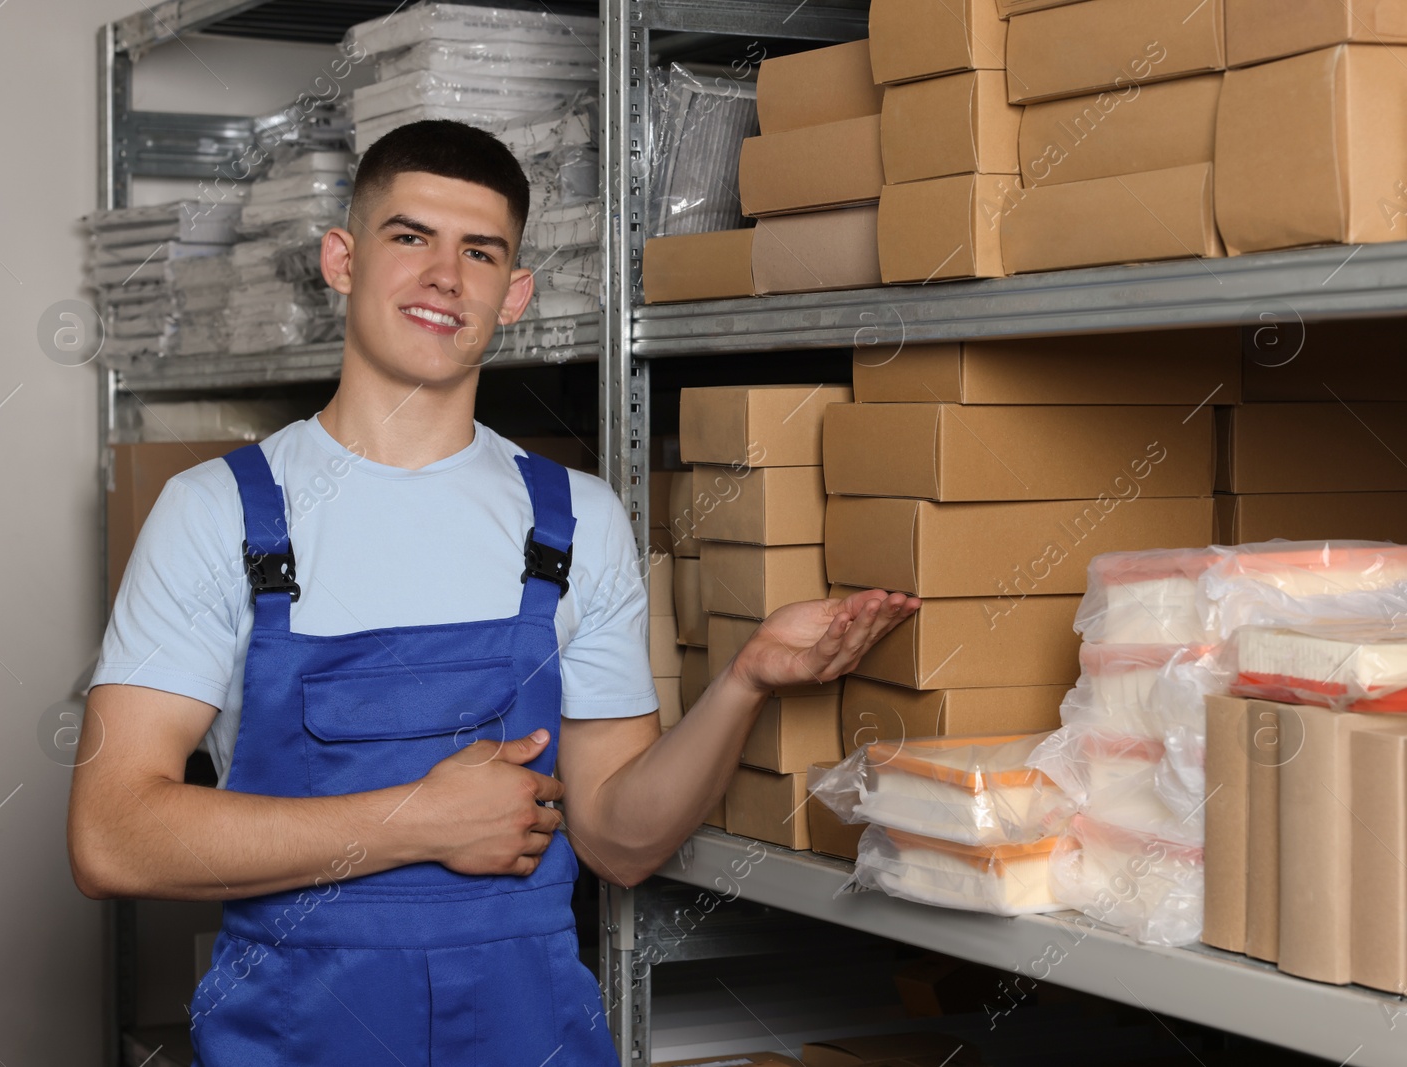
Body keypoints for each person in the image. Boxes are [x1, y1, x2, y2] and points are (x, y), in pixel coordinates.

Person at [67, 119, 918, 1066]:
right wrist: (416, 821)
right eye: (409, 237)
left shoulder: (575, 520)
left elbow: (620, 842)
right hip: (295, 1037)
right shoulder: (216, 513)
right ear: (340, 260)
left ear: (513, 294)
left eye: (479, 252)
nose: (444, 276)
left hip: (531, 1035)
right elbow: (113, 838)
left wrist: (747, 679)